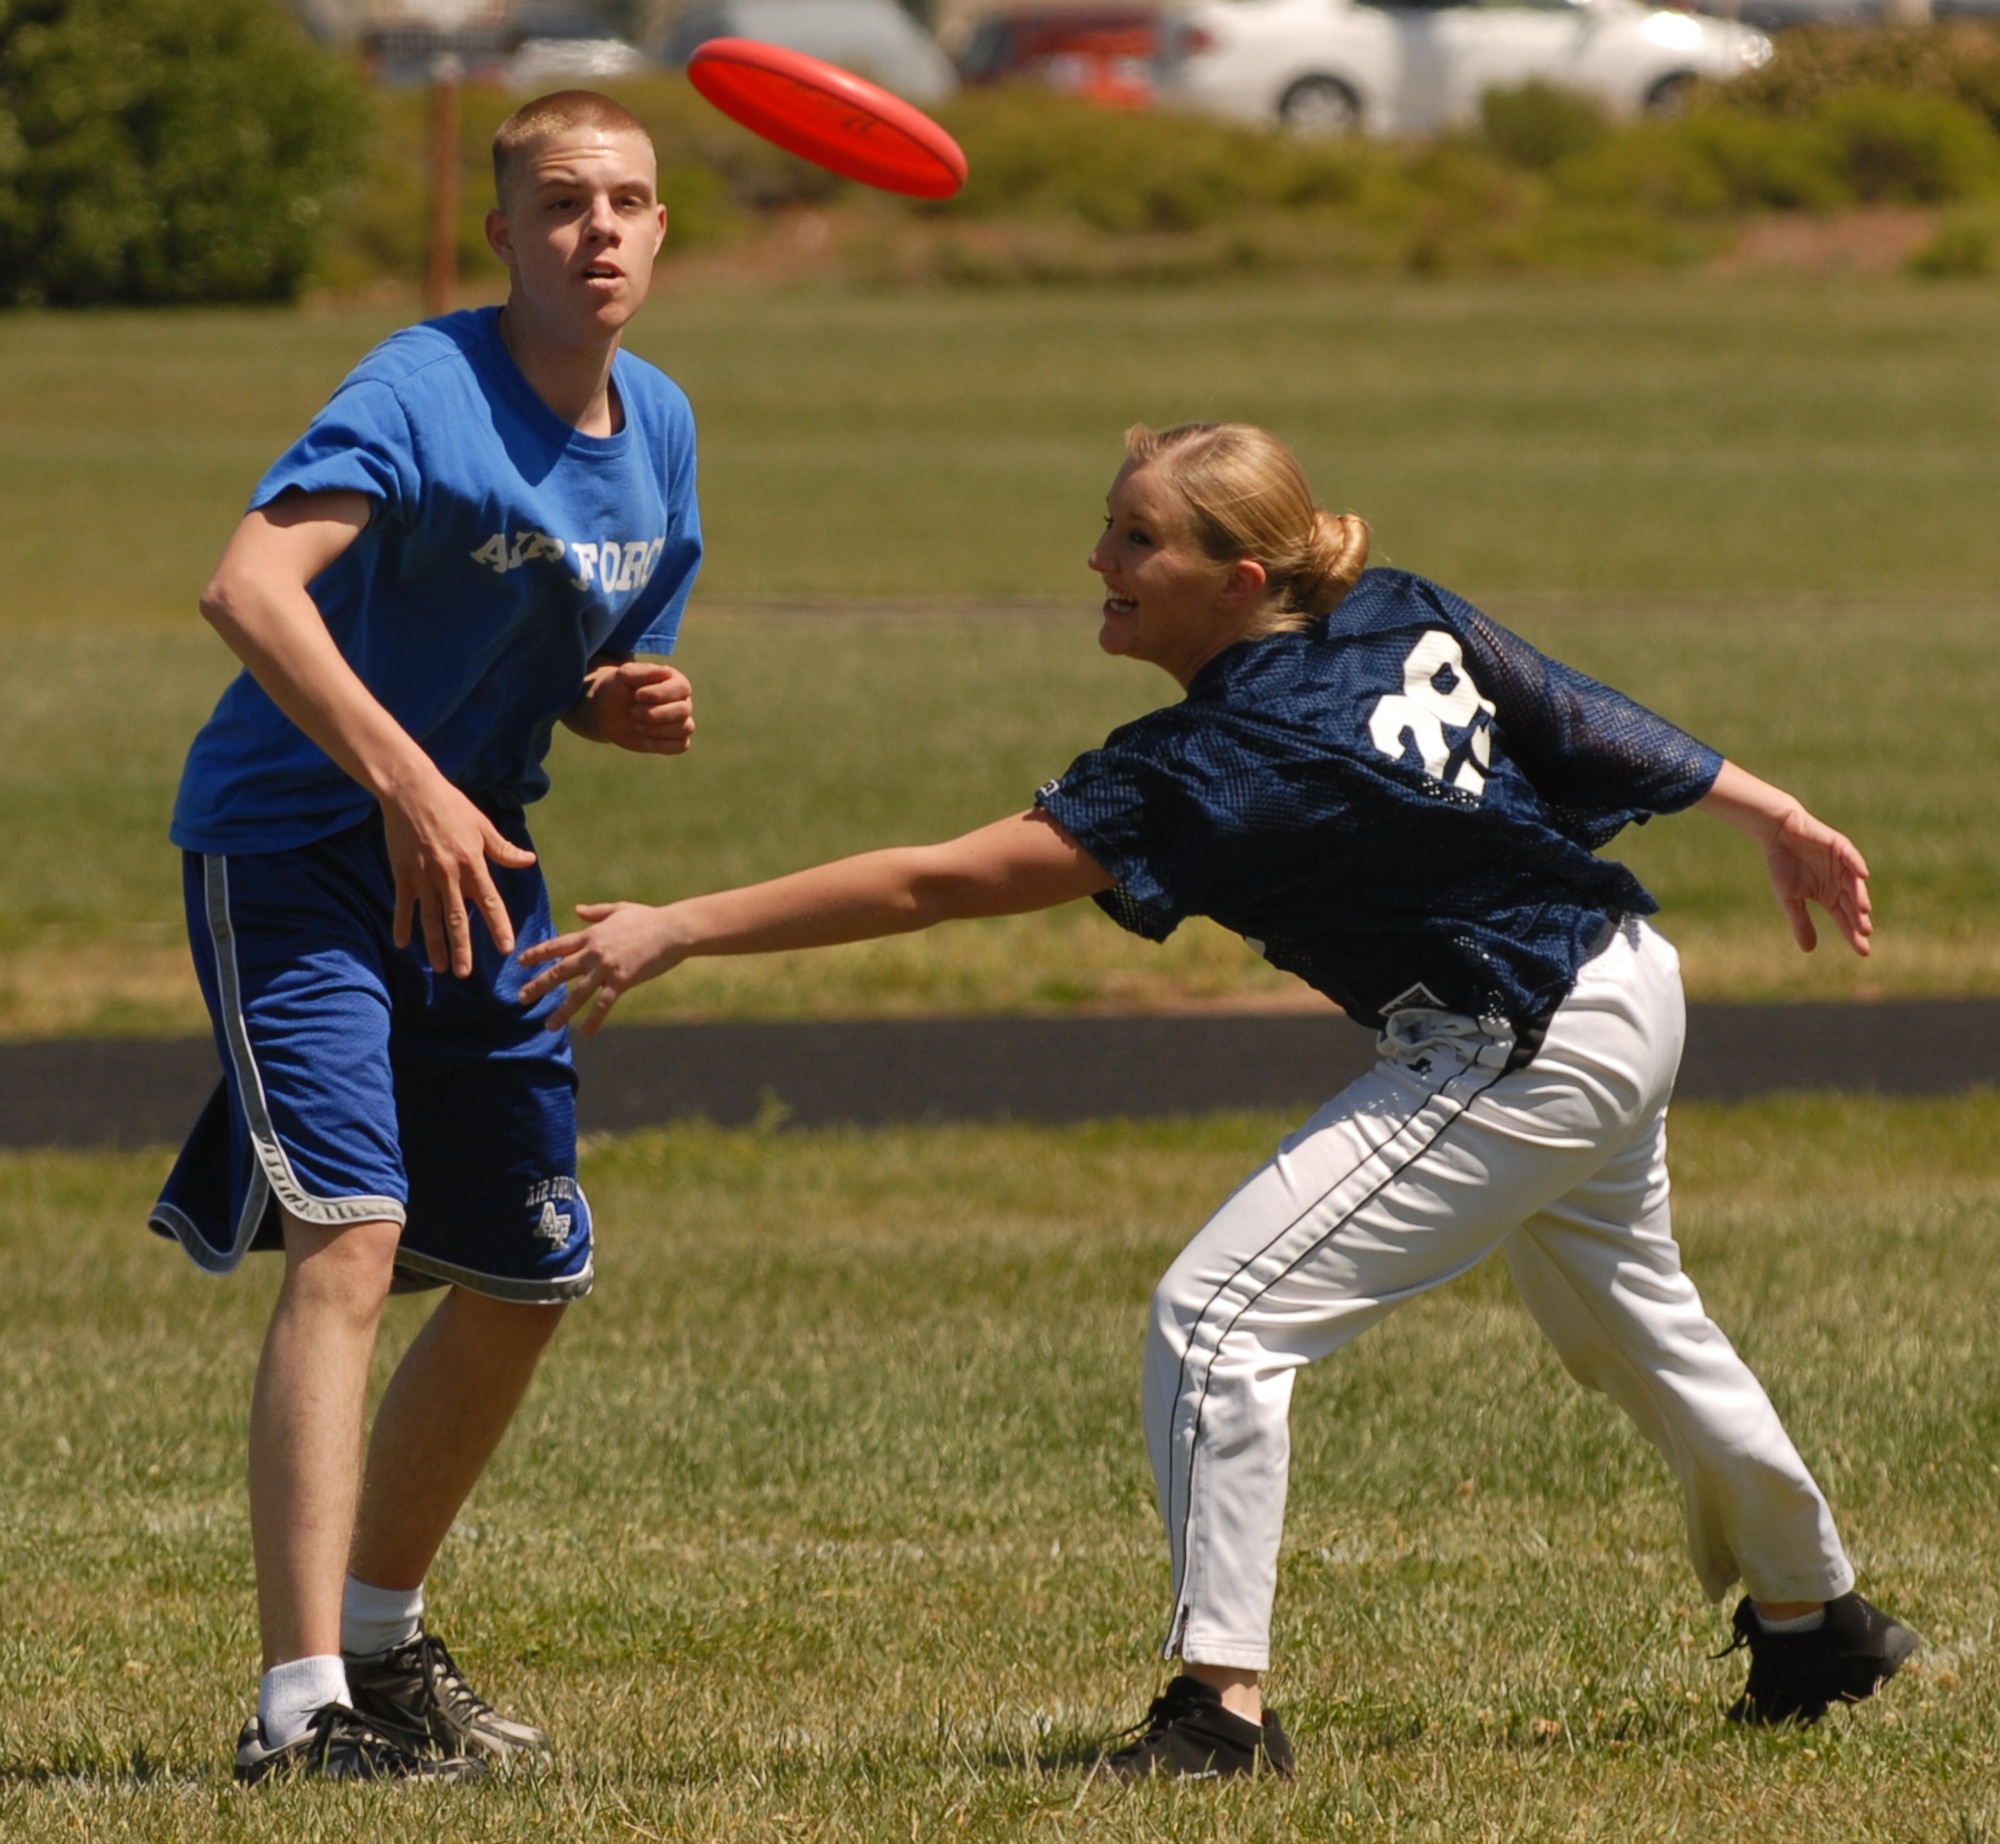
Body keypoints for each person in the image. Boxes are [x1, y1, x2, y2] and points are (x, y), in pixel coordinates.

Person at [517, 420, 1916, 1781]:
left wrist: (686, 924)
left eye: (1139, 539)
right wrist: (1770, 808)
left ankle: (1219, 1714)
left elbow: (936, 880)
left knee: (1221, 1319)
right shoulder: (1389, 610)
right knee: (1632, 1312)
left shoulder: (1218, 761)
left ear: (1240, 583)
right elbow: (1568, 709)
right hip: (1629, 982)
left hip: (1519, 1033)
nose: (1098, 558)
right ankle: (1815, 1622)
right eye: (1108, 525)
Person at [148, 91, 703, 1782]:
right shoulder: (419, 383)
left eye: (626, 203)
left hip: (480, 865)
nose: (596, 231)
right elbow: (249, 587)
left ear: (663, 232)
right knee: (356, 1238)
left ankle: (384, 1649)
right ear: (503, 236)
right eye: (559, 204)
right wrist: (402, 775)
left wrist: (621, 706)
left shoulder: (660, 424)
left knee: (532, 1268)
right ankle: (297, 1703)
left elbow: (571, 657)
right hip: (302, 847)